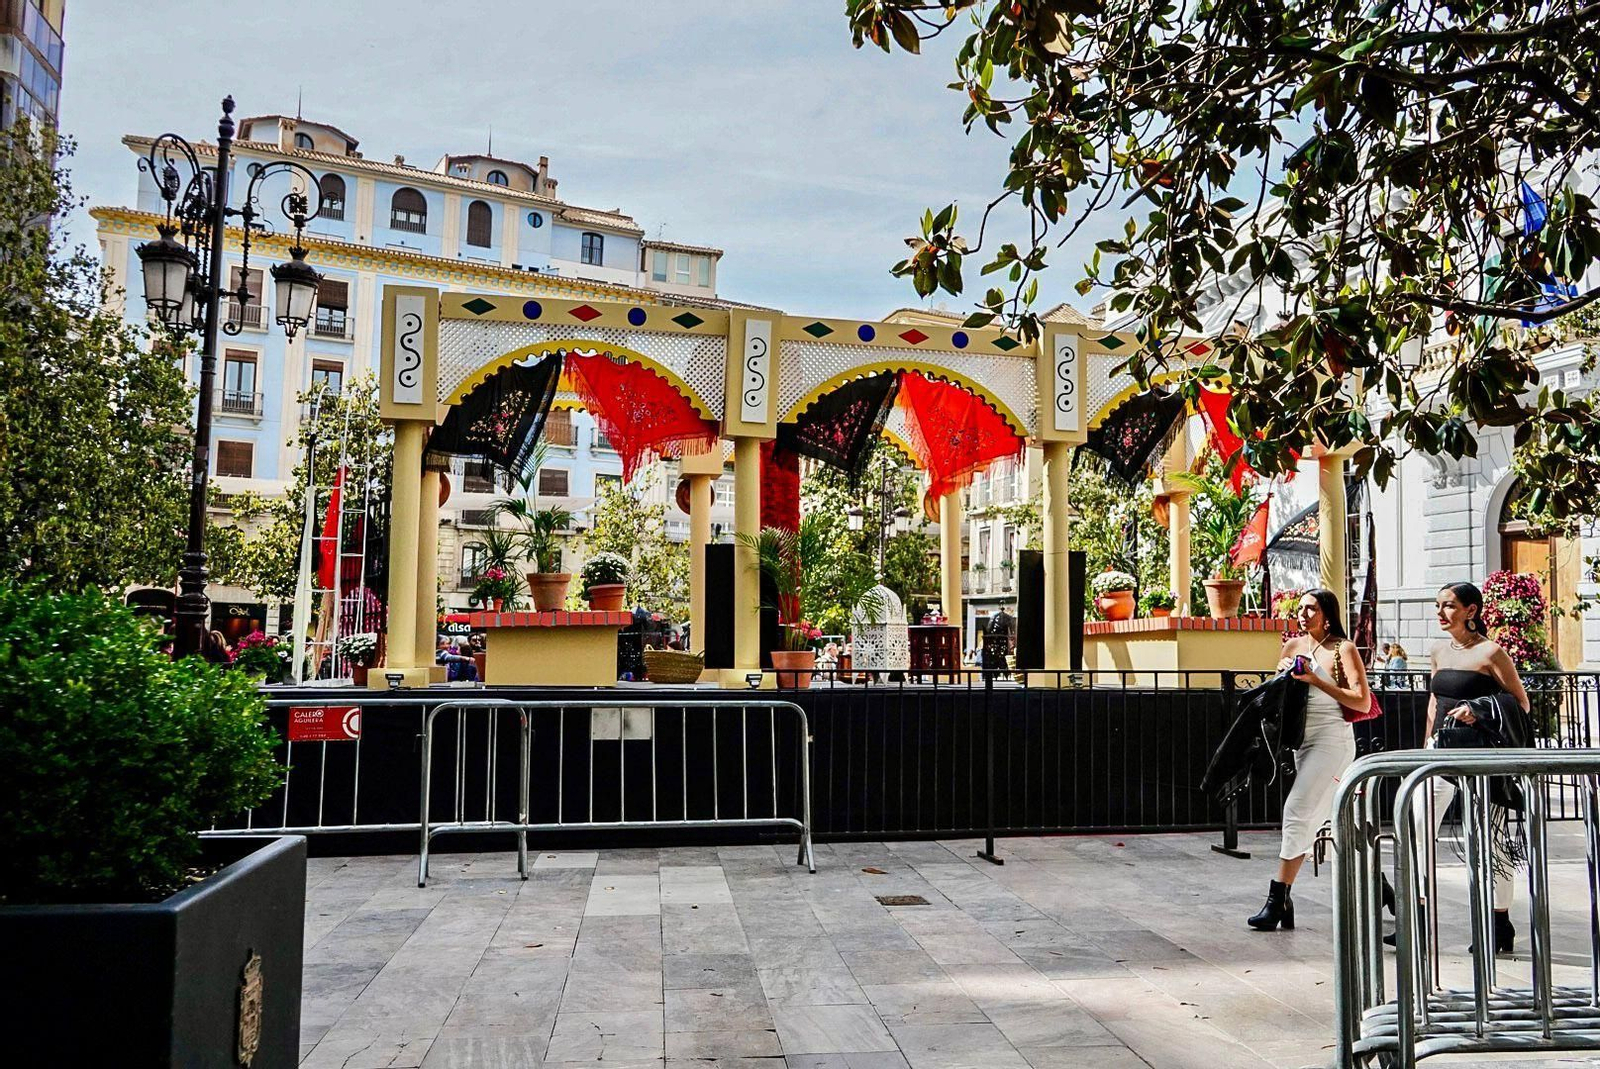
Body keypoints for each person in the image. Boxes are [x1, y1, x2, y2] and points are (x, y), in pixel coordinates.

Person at [1390, 582, 1531, 954]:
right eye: (1439, 606)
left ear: (1471, 610)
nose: (1440, 613)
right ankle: (1417, 918)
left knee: (1491, 840)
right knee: (1417, 827)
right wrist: (1424, 748)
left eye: (1449, 606)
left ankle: (1499, 923)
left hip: (1481, 755)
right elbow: (1435, 704)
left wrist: (1478, 709)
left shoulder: (1491, 652)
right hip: (1440, 752)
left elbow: (1521, 704)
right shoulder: (1438, 650)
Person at [1248, 588, 1373, 931]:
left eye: (1311, 609)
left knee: (1297, 811)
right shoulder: (1292, 646)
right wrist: (1281, 676)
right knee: (1337, 823)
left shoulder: (1342, 649)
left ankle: (1277, 899)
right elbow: (1279, 695)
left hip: (1333, 742)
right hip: (1302, 742)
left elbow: (1361, 701)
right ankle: (1385, 892)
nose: (1302, 615)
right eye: (1300, 608)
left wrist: (1317, 679)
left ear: (1327, 613)